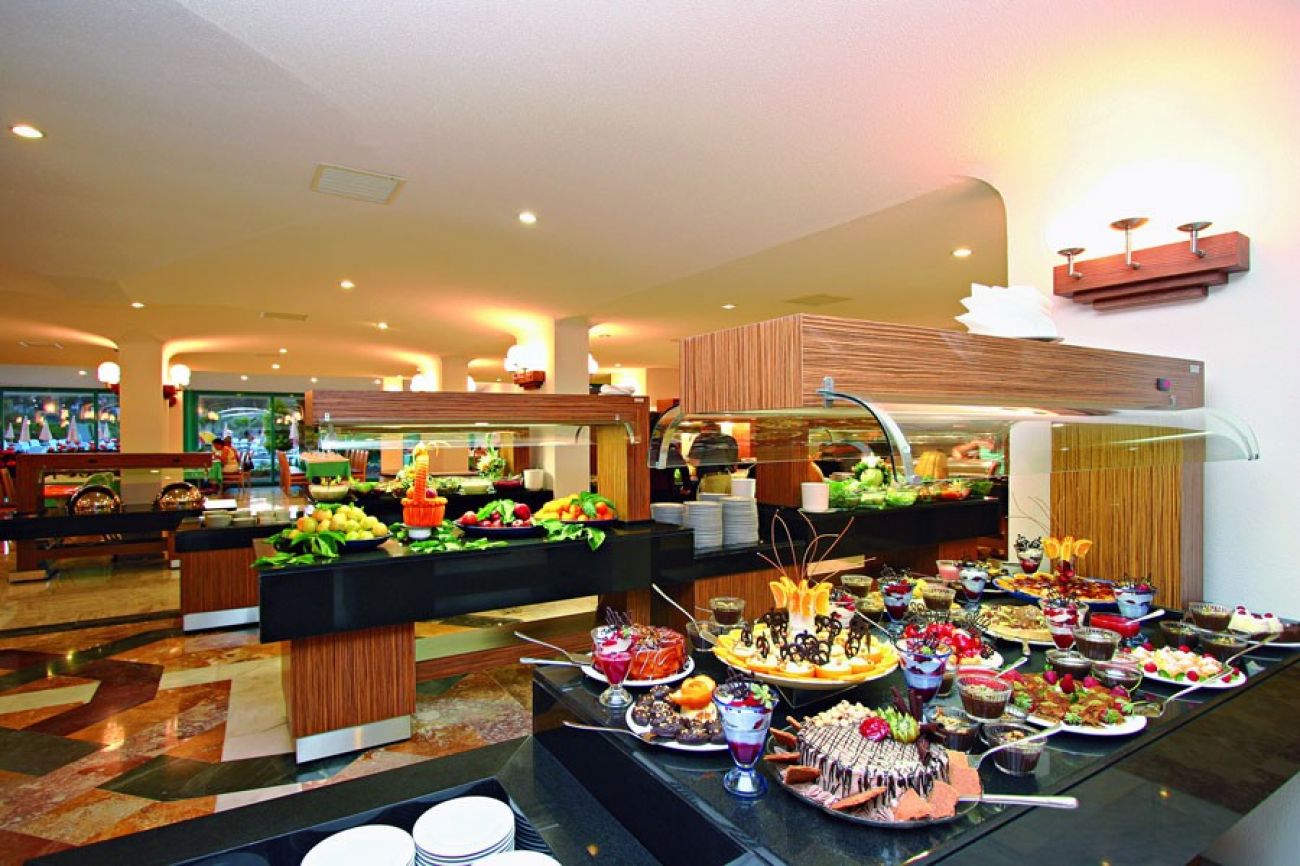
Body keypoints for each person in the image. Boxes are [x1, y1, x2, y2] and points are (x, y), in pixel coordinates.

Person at [686, 422, 739, 495]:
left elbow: (695, 462)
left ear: (705, 429)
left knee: (711, 501)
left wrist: (687, 460)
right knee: (726, 502)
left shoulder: (702, 439)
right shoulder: (730, 439)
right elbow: (734, 464)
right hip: (728, 478)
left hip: (711, 479)